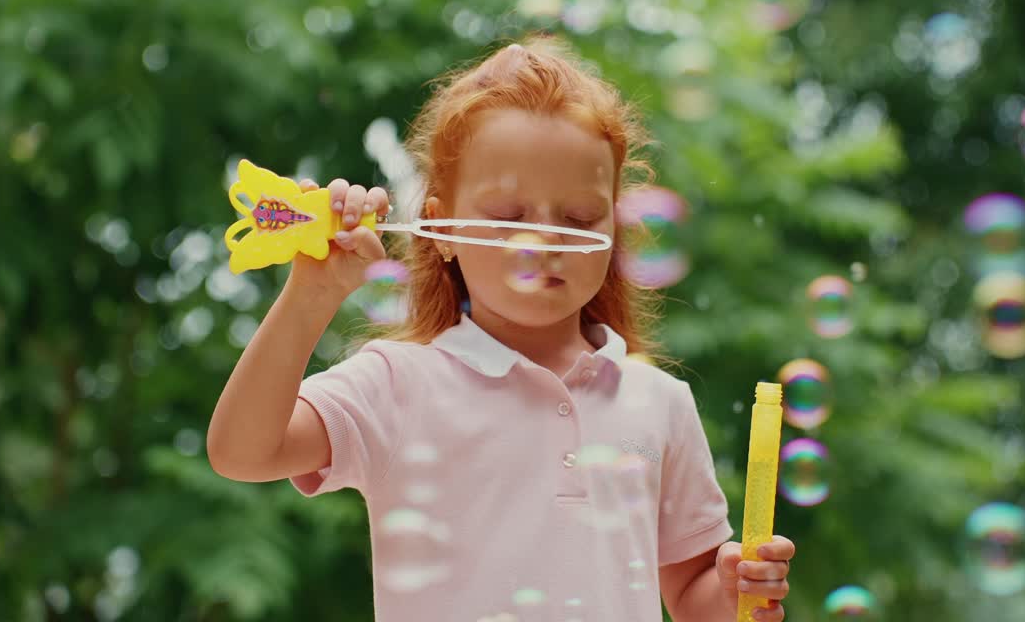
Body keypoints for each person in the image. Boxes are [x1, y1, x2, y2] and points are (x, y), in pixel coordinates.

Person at [206, 37, 794, 621]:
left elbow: (694, 601)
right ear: (439, 231)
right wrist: (312, 294)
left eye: (580, 218)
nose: (543, 242)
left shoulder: (659, 401)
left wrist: (738, 589)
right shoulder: (398, 385)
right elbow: (241, 453)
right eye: (509, 216)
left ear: (614, 231)